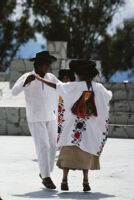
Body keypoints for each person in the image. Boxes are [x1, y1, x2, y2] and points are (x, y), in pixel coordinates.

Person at [31, 59, 112, 192]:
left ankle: (64, 181)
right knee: (86, 153)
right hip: (90, 130)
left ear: (80, 74)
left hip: (72, 130)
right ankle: (85, 182)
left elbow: (57, 87)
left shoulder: (75, 86)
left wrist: (40, 79)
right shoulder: (99, 88)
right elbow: (108, 97)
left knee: (67, 155)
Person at [12, 51, 60, 189]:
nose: (48, 67)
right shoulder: (27, 76)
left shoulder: (51, 77)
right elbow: (15, 91)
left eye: (49, 64)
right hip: (35, 117)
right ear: (38, 65)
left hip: (50, 116)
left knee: (53, 147)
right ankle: (46, 177)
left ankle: (44, 171)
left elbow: (62, 87)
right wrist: (26, 82)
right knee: (43, 146)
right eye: (46, 64)